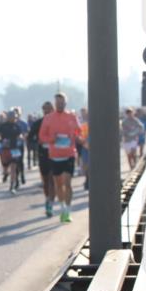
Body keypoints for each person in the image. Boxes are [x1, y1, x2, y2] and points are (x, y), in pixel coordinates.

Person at [39, 92, 81, 223]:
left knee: (67, 183)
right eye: (57, 103)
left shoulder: (72, 117)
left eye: (62, 103)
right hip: (55, 155)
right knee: (58, 184)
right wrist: (52, 139)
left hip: (69, 154)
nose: (60, 105)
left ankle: (67, 211)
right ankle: (62, 207)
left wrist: (75, 137)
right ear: (55, 103)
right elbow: (42, 136)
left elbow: (78, 132)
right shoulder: (48, 118)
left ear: (65, 103)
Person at [28, 101, 57, 216]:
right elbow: (30, 138)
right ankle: (48, 198)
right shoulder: (38, 123)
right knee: (45, 181)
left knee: (52, 180)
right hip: (43, 154)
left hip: (55, 154)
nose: (47, 111)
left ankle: (50, 204)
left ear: (53, 110)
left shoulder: (57, 122)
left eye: (49, 109)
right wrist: (37, 141)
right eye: (45, 109)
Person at [0, 109, 25, 193]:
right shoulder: (3, 126)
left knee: (13, 167)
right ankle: (5, 174)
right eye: (12, 117)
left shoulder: (17, 126)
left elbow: (20, 134)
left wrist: (21, 138)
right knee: (5, 166)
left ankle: (12, 185)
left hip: (14, 149)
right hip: (5, 149)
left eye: (14, 117)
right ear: (8, 117)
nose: (13, 118)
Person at [78, 107, 90, 189]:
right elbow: (78, 134)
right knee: (85, 165)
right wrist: (83, 143)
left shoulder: (91, 121)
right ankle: (87, 178)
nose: (83, 114)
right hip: (84, 145)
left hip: (90, 144)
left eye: (84, 112)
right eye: (82, 112)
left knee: (90, 164)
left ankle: (89, 180)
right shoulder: (80, 122)